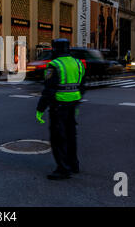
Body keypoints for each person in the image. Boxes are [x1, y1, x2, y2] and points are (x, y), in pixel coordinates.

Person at [35, 39, 86, 180]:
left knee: (58, 138)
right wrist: (76, 102)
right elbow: (82, 86)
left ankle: (63, 169)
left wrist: (40, 109)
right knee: (71, 136)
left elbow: (49, 90)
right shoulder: (78, 63)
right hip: (72, 104)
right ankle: (73, 164)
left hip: (58, 106)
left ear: (55, 50)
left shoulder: (54, 65)